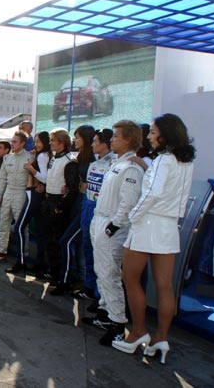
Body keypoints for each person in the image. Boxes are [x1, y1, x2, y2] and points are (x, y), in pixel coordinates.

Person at [113, 114, 195, 362]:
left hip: (148, 224)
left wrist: (134, 216)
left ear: (165, 135)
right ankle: (161, 338)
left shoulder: (164, 160)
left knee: (130, 278)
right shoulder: (185, 162)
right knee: (164, 285)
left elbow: (152, 193)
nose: (149, 136)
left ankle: (138, 332)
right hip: (169, 227)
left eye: (153, 132)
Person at [79, 121, 142, 347]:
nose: (112, 139)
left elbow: (128, 201)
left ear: (128, 139)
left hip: (111, 225)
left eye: (116, 136)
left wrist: (113, 226)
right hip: (100, 218)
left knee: (110, 273)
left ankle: (118, 323)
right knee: (101, 270)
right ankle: (105, 313)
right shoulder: (118, 163)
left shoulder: (131, 168)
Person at [52, 124, 96, 295]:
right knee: (76, 244)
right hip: (77, 204)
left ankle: (68, 281)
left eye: (78, 137)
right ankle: (77, 280)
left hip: (87, 205)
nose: (75, 140)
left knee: (68, 241)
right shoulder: (80, 157)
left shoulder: (93, 159)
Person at [73, 128, 114, 301]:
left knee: (101, 254)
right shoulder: (94, 163)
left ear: (104, 144)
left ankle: (101, 295)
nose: (92, 144)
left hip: (103, 211)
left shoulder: (114, 164)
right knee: (88, 248)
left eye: (95, 141)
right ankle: (89, 286)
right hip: (88, 206)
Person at [6, 131, 51, 274]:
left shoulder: (43, 156)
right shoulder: (43, 155)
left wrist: (30, 168)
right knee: (40, 231)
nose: (36, 144)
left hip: (33, 194)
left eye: (39, 142)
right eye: (35, 141)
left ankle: (21, 262)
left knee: (19, 227)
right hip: (36, 194)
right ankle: (40, 264)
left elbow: (45, 178)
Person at [0, 132, 31, 262]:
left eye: (15, 142)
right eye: (12, 141)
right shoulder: (7, 158)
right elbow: (2, 178)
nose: (12, 144)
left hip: (21, 193)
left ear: (23, 143)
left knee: (22, 226)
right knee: (3, 224)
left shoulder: (30, 157)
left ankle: (23, 255)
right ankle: (1, 252)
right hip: (8, 192)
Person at [43, 128, 79, 283]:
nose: (50, 143)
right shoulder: (54, 157)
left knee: (58, 240)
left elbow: (71, 188)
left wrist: (60, 205)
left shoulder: (70, 161)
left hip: (59, 203)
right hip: (49, 200)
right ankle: (52, 270)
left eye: (52, 140)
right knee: (50, 239)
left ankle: (61, 275)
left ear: (62, 142)